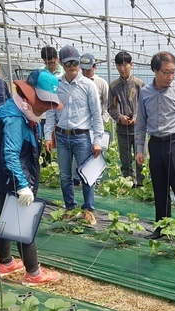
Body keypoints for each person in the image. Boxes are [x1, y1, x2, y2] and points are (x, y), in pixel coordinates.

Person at [0, 69, 62, 285]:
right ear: (28, 94)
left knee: (5, 218)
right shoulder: (14, 119)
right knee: (23, 223)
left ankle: (6, 263)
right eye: (43, 102)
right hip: (6, 179)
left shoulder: (21, 112)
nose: (45, 108)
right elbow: (10, 154)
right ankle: (33, 273)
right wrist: (22, 186)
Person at [135, 51, 175, 239]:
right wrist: (139, 149)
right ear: (155, 70)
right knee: (159, 189)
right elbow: (141, 124)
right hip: (156, 144)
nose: (170, 77)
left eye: (173, 72)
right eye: (166, 72)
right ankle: (162, 228)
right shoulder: (145, 93)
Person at [44, 45, 104, 226]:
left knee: (86, 174)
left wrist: (97, 141)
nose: (72, 66)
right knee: (64, 175)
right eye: (68, 62)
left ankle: (88, 209)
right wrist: (48, 136)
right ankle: (70, 207)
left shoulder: (89, 86)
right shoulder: (55, 86)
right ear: (61, 63)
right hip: (62, 136)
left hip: (82, 137)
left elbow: (96, 114)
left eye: (75, 62)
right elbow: (50, 113)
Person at [108, 51, 145, 187]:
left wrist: (136, 117)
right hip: (122, 130)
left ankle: (141, 185)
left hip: (138, 130)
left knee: (141, 159)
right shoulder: (113, 86)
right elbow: (110, 107)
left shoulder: (139, 84)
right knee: (125, 161)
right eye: (119, 65)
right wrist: (120, 118)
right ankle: (129, 185)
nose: (122, 68)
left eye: (125, 65)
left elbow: (145, 106)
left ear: (131, 65)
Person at [80, 53, 110, 124]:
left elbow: (108, 103)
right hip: (80, 124)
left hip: (96, 123)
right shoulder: (78, 82)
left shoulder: (101, 83)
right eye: (83, 69)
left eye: (87, 69)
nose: (85, 72)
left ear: (94, 67)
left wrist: (103, 119)